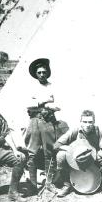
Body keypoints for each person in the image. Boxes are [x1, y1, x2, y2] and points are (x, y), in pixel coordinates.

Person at [25, 58, 69, 193]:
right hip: (34, 121)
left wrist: (41, 104)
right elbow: (28, 105)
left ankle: (49, 183)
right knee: (31, 152)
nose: (42, 74)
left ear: (47, 72)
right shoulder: (31, 87)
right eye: (39, 72)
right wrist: (46, 101)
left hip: (48, 121)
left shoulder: (53, 86)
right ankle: (32, 185)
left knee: (49, 151)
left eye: (44, 72)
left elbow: (58, 106)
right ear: (35, 74)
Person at [53, 110, 102, 198]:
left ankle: (100, 181)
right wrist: (71, 149)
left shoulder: (98, 131)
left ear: (94, 122)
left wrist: (96, 155)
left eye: (90, 122)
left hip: (93, 160)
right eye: (85, 122)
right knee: (60, 155)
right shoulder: (75, 131)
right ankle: (67, 185)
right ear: (80, 122)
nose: (87, 125)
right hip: (77, 160)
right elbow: (56, 145)